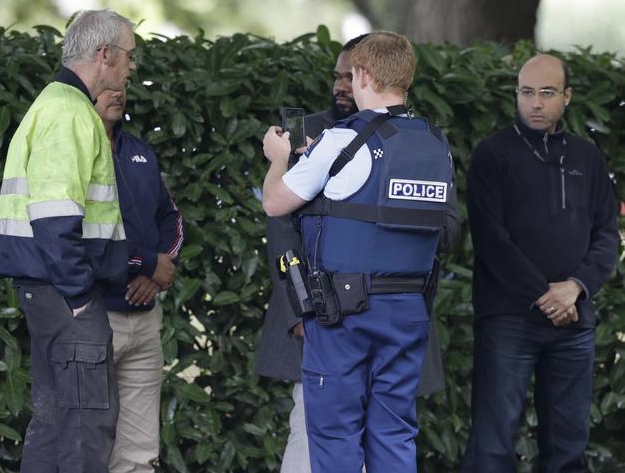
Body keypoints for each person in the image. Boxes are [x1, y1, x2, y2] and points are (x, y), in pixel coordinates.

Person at [256, 33, 458, 472]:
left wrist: (279, 158)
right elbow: (446, 231)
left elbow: (275, 203)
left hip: (344, 314)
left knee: (334, 438)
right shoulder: (435, 144)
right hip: (407, 312)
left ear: (363, 74)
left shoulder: (341, 141)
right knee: (393, 435)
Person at [0, 9, 136, 473]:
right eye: (129, 57)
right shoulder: (71, 112)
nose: (131, 68)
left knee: (55, 425)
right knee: (85, 427)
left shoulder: (54, 104)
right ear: (105, 53)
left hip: (49, 291)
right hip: (67, 295)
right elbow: (54, 217)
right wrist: (78, 297)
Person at [461, 54, 619, 472]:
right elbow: (492, 240)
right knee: (492, 448)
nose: (535, 102)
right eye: (526, 92)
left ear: (566, 97)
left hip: (574, 324)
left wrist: (575, 288)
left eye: (546, 93)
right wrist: (544, 295)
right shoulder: (492, 155)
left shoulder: (588, 158)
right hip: (509, 320)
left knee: (568, 449)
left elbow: (606, 235)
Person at [94, 88, 183, 472]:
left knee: (140, 450)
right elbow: (85, 234)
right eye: (109, 86)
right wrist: (146, 263)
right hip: (94, 314)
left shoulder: (141, 152)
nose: (119, 94)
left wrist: (155, 271)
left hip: (144, 318)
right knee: (85, 438)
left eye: (124, 86)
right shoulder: (75, 148)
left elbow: (171, 219)